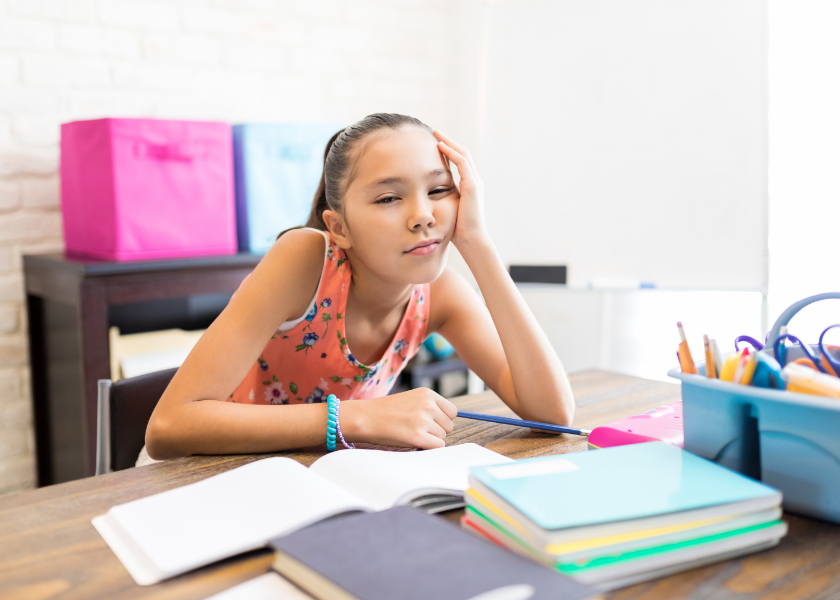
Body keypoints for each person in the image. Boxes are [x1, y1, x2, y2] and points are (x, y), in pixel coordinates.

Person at [145, 113, 574, 459]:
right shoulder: (305, 259)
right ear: (340, 226)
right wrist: (356, 418)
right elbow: (170, 427)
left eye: (440, 189)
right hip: (209, 478)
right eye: (389, 198)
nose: (422, 215)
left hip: (317, 482)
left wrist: (478, 244)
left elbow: (553, 413)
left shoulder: (439, 291)